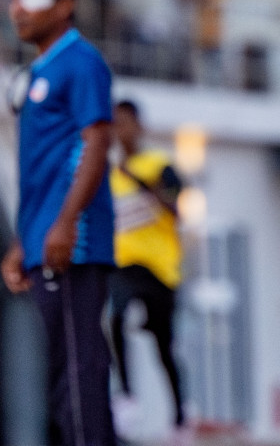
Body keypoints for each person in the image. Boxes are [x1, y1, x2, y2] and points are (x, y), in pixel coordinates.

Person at [1, 0, 116, 446]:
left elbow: (97, 141)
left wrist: (66, 224)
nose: (18, 10)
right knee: (63, 370)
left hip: (74, 241)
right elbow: (40, 168)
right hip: (43, 237)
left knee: (78, 367)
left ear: (66, 6)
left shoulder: (81, 62)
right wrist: (20, 241)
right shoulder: (39, 70)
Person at [107, 98, 187, 440]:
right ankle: (126, 394)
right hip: (125, 263)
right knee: (116, 317)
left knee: (164, 346)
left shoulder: (159, 163)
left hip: (161, 267)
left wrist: (145, 186)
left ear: (139, 127)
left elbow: (176, 205)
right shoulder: (108, 175)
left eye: (126, 123)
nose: (120, 130)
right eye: (115, 123)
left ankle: (181, 417)